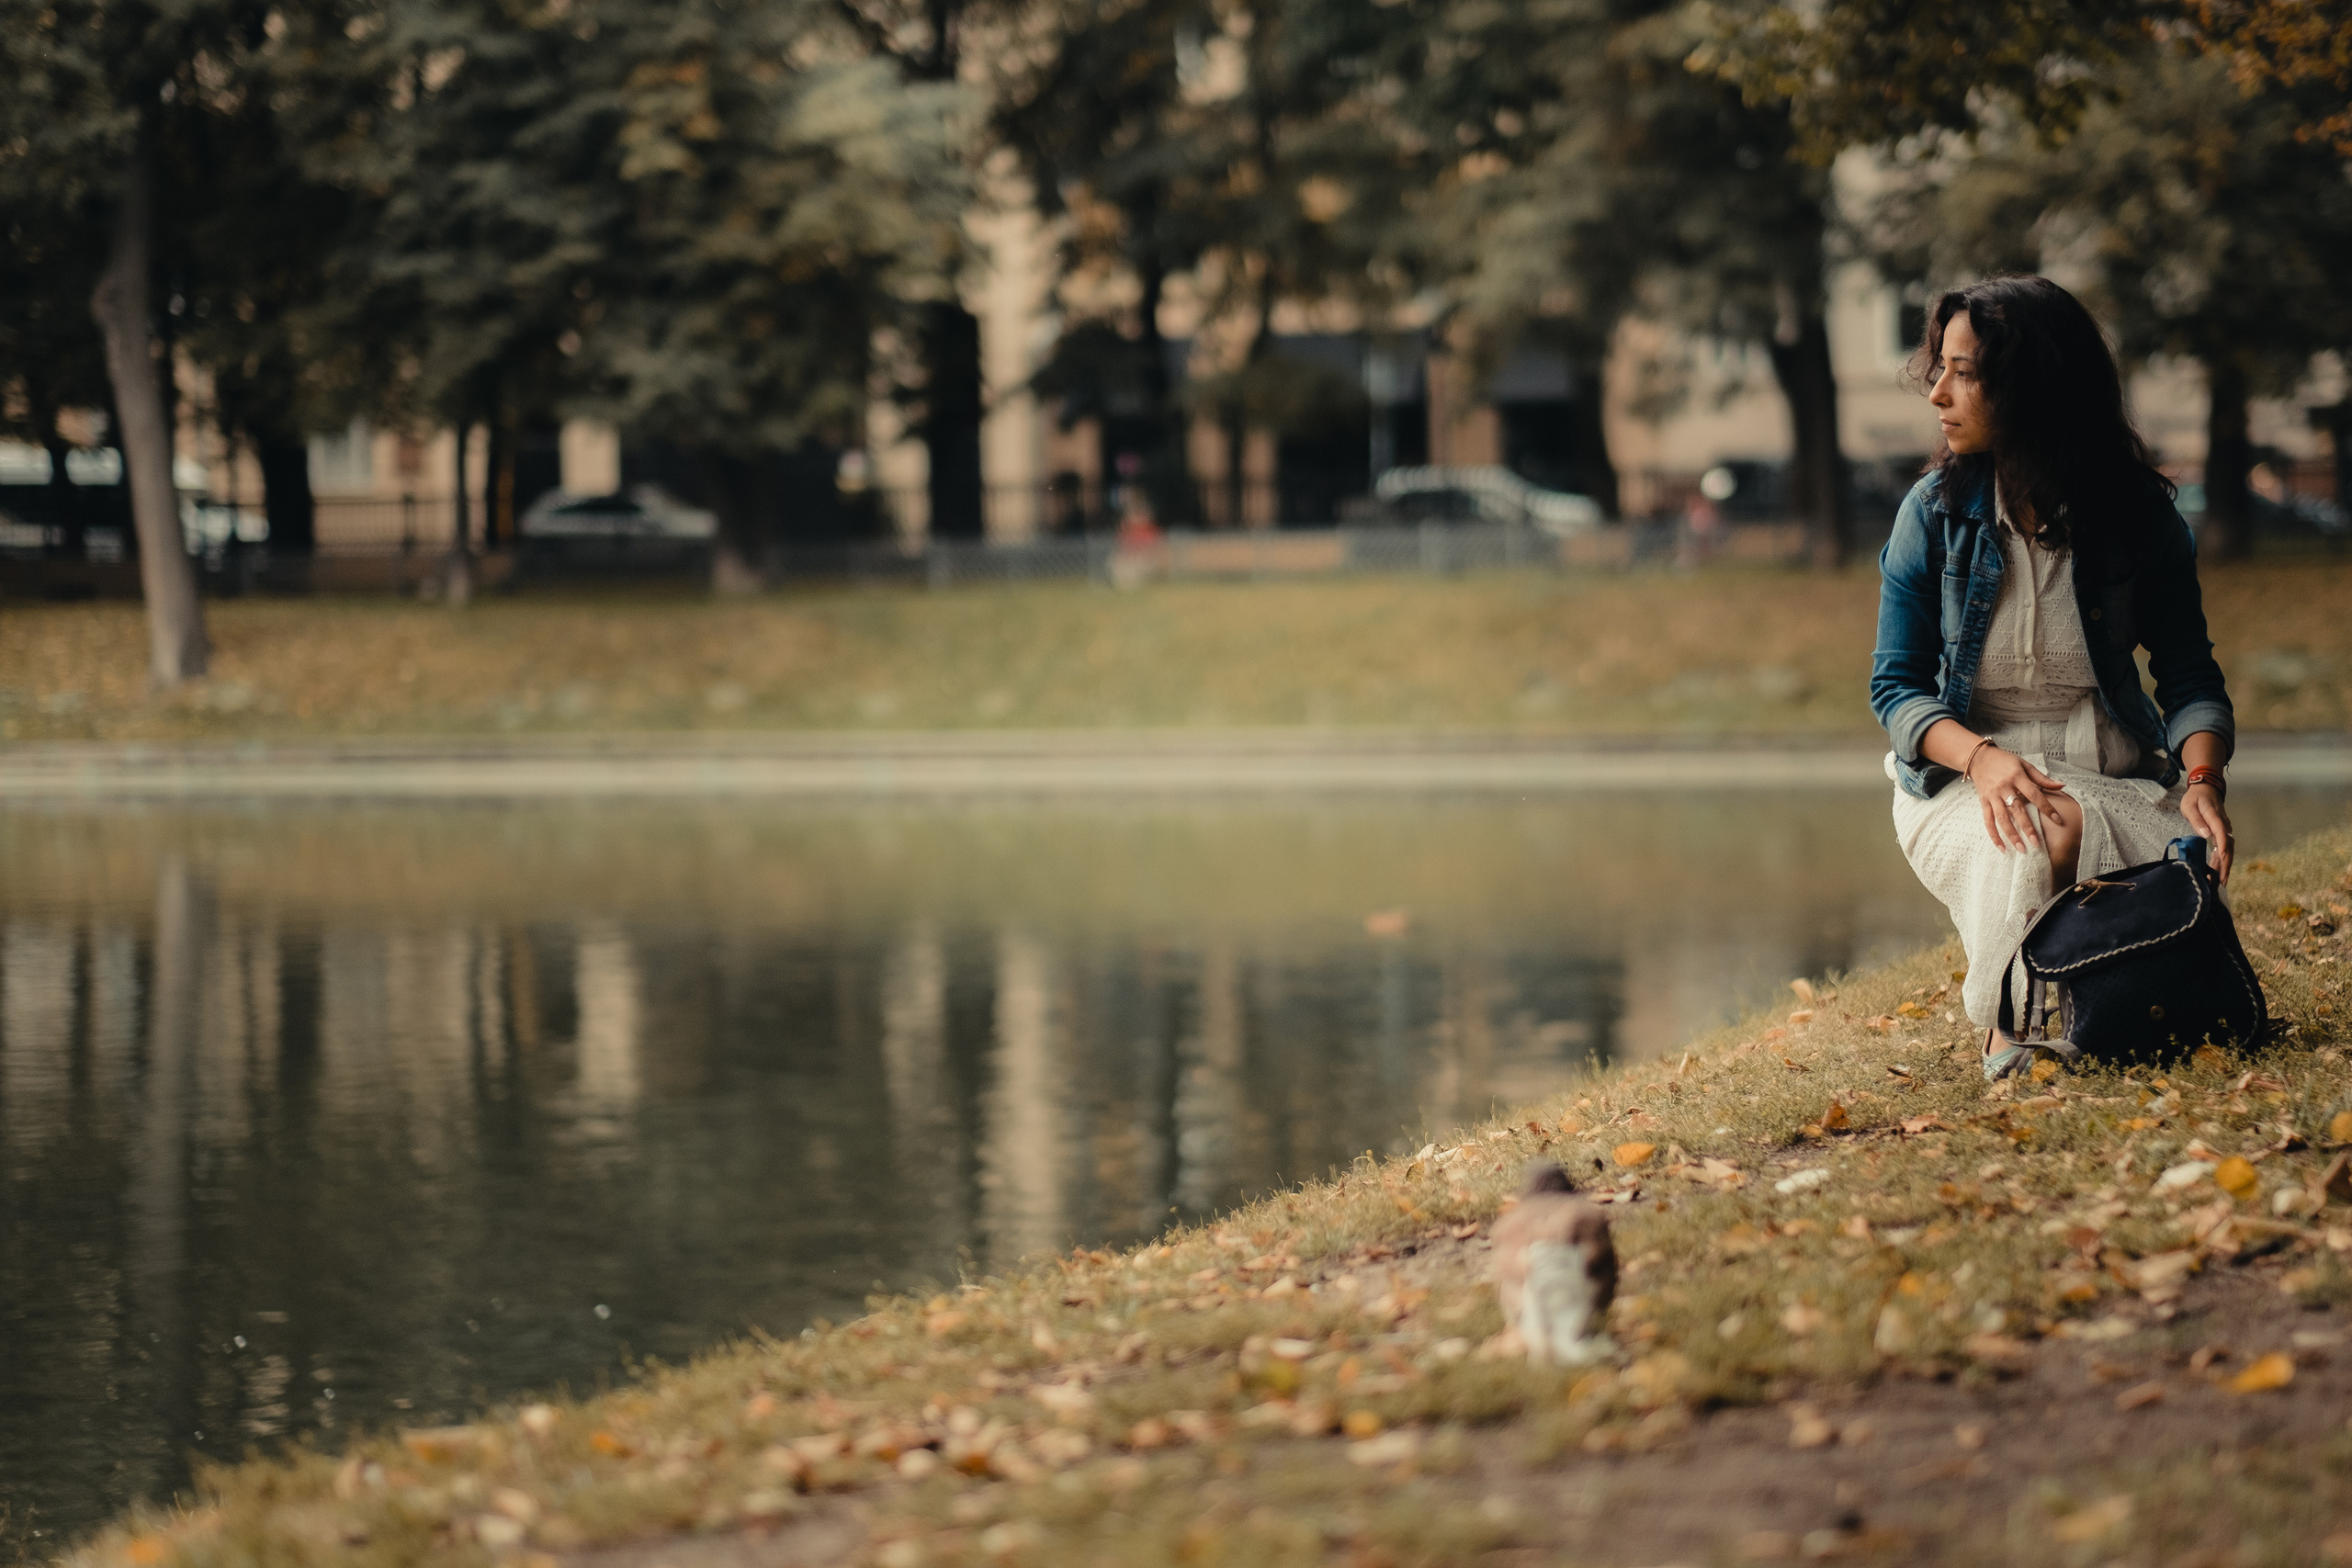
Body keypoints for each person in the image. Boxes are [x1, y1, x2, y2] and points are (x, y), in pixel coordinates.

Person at [1870, 276, 2236, 1081]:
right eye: (1941, 366)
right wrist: (1985, 759)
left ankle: (2072, 1018)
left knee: (2076, 826)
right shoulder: (1931, 513)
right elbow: (1895, 689)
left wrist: (2203, 777)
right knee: (2033, 833)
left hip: (2110, 776)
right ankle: (2011, 1036)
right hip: (1958, 779)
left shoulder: (2138, 518)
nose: (1938, 391)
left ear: (2034, 387)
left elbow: (2187, 672)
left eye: (1965, 372)